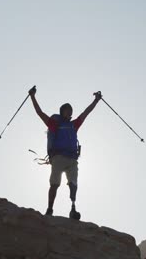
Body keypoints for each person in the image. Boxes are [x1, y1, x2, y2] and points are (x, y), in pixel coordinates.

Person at [29, 87, 102, 220]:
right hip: (58, 158)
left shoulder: (74, 125)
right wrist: (32, 97)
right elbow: (40, 113)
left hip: (72, 159)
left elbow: (86, 112)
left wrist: (96, 101)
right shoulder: (54, 124)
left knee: (73, 184)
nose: (70, 113)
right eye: (68, 110)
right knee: (55, 184)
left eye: (71, 111)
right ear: (62, 112)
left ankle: (73, 209)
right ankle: (50, 209)